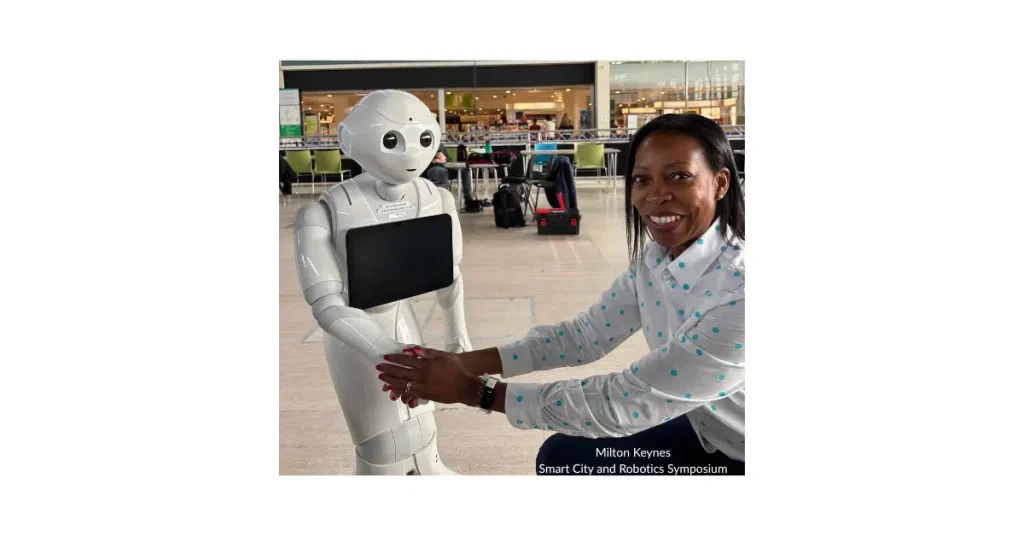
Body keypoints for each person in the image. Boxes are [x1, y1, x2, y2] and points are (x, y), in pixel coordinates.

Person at [378, 113, 745, 475]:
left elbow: (622, 403)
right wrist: (465, 363)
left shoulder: (741, 295)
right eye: (642, 179)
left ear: (720, 183)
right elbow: (584, 336)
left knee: (567, 460)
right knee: (563, 456)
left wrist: (474, 391)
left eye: (680, 176)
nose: (657, 195)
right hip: (707, 428)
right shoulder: (655, 263)